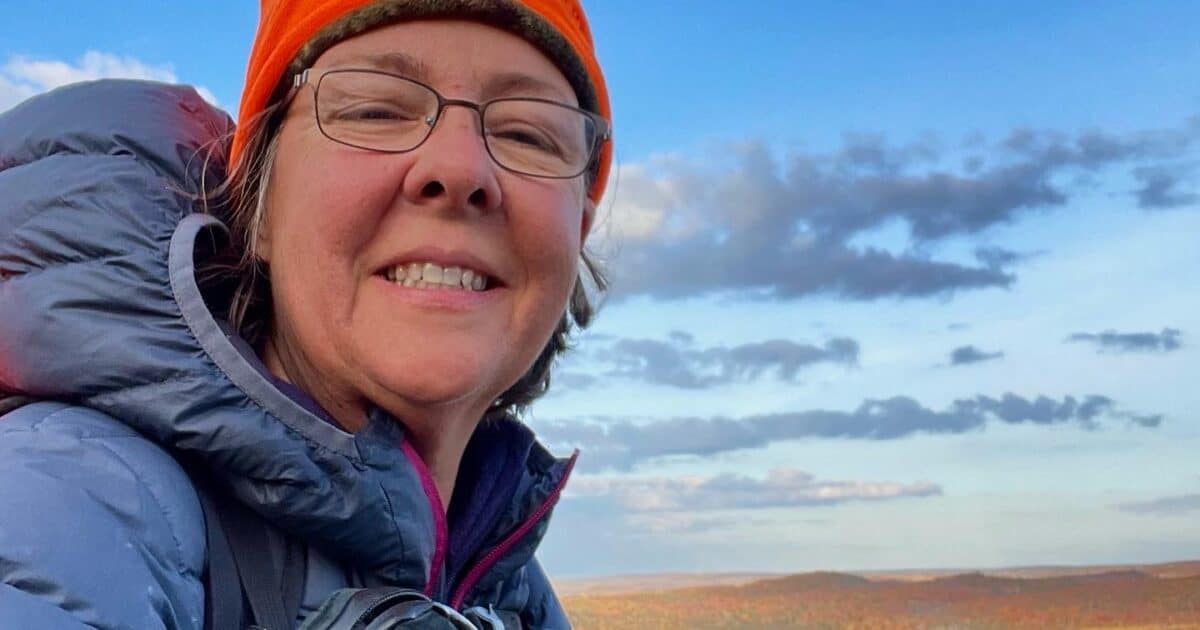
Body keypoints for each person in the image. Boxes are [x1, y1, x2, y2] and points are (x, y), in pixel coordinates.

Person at [0, 0, 612, 627]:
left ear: (578, 230)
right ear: (259, 206)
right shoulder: (74, 506)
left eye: (527, 133)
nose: (459, 169)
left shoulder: (507, 586)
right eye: (375, 109)